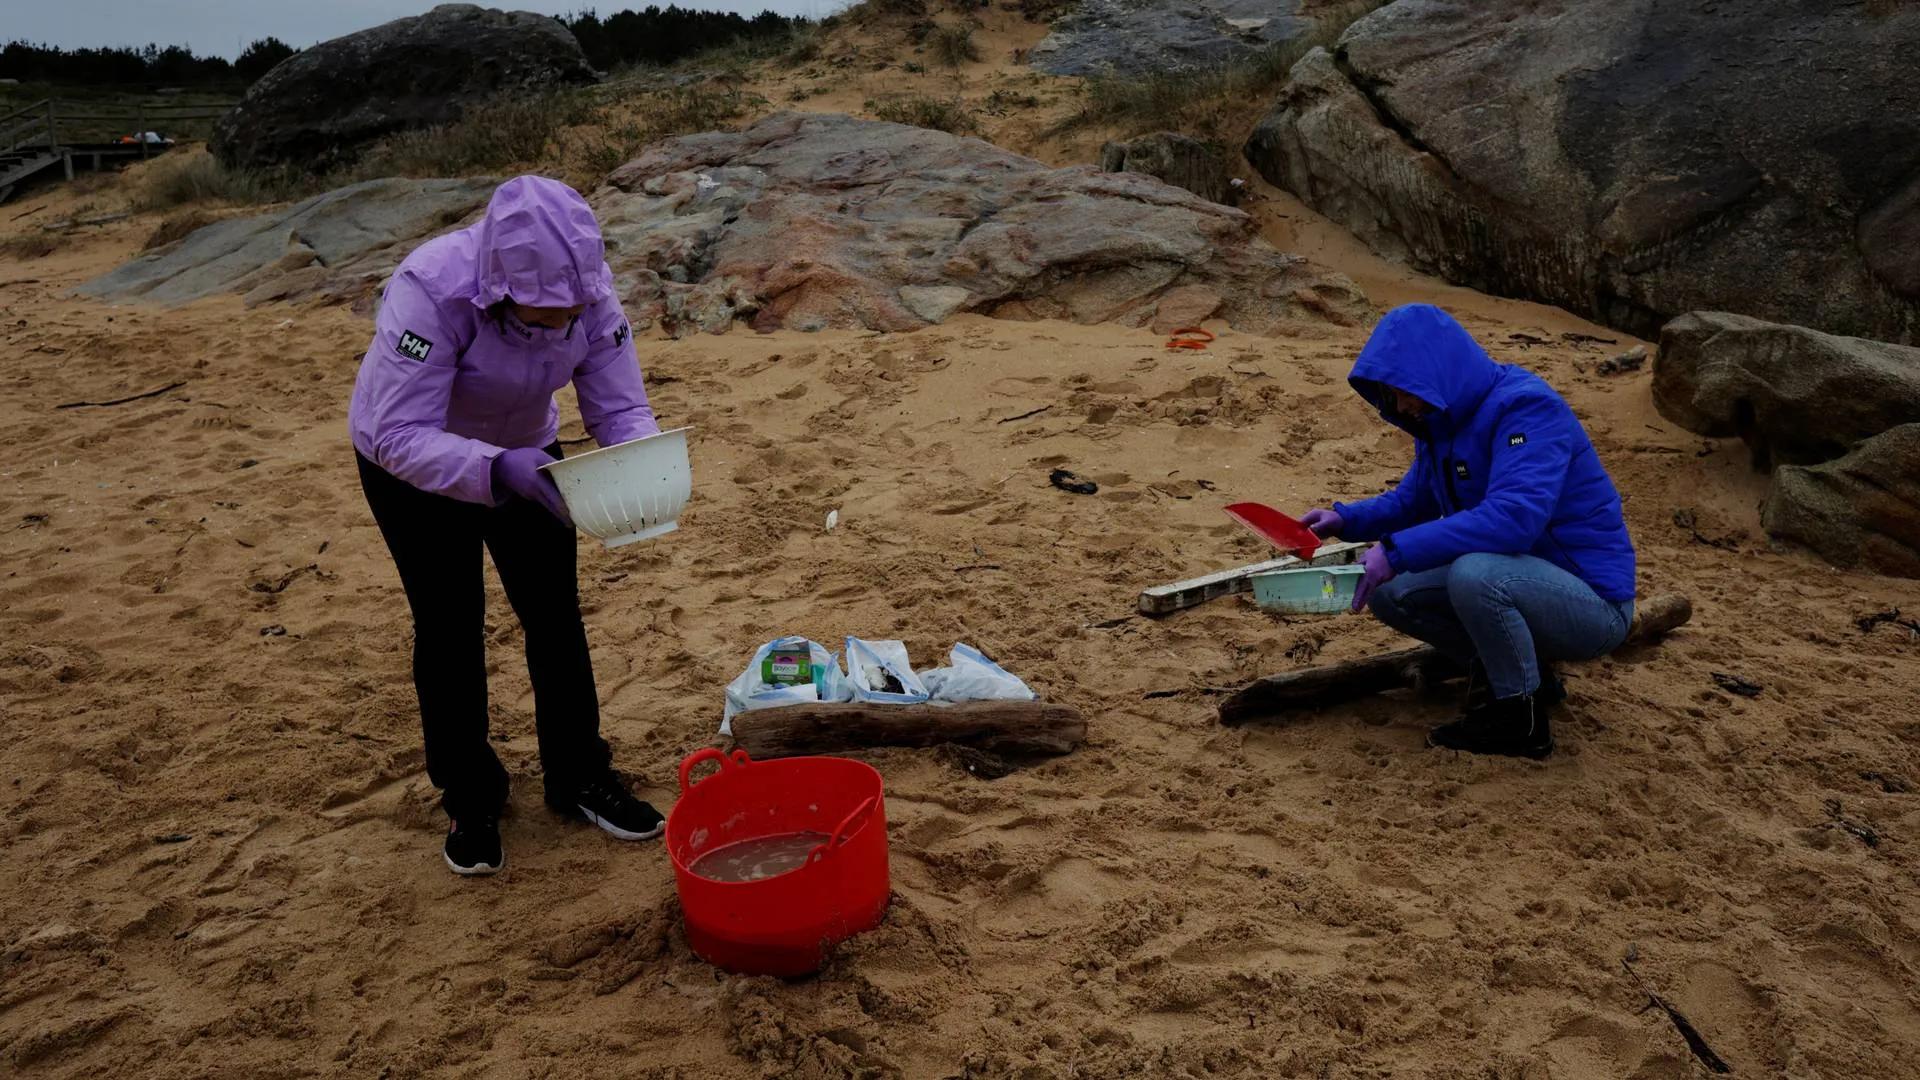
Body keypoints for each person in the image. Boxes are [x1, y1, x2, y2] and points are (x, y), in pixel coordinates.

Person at [349, 175, 666, 875]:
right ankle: (470, 794)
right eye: (542, 311)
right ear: (499, 282)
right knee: (450, 622)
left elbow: (618, 401)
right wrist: (496, 470)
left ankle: (580, 774)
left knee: (554, 611)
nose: (560, 323)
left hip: (527, 450)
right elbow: (399, 431)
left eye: (570, 308)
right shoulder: (431, 289)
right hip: (409, 463)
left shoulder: (591, 290)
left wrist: (641, 456)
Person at [1300, 304, 1637, 759]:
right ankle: (1523, 675)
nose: (1399, 406)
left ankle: (1519, 720)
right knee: (1388, 589)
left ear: (1437, 372)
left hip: (1593, 605)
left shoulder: (1527, 409)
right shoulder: (1440, 424)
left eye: (1403, 391)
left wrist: (1395, 551)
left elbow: (1514, 519)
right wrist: (1344, 520)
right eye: (1389, 395)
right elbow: (1411, 502)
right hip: (1525, 583)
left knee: (1475, 575)